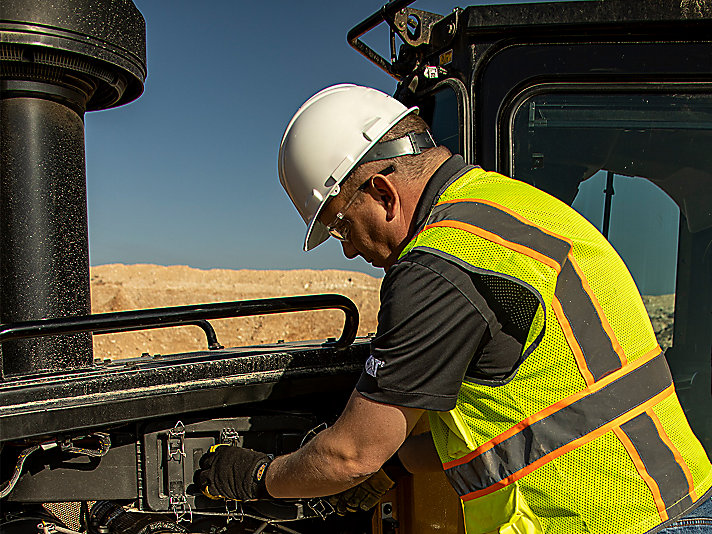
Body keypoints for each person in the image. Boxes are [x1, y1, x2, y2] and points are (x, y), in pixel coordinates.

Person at [196, 84, 712, 533]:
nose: (349, 248)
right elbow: (508, 433)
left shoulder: (437, 267)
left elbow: (350, 454)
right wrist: (393, 468)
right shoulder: (504, 208)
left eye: (341, 226)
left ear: (382, 193)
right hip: (673, 501)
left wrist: (256, 478)